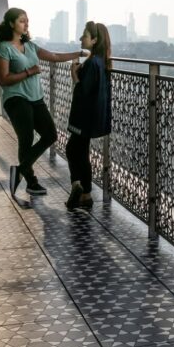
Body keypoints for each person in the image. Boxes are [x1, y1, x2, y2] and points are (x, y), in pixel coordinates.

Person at [0, 8, 85, 196]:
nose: (26, 24)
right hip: (16, 98)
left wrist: (81, 54)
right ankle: (31, 182)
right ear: (11, 24)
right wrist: (29, 72)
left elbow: (55, 57)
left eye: (27, 21)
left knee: (51, 134)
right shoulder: (4, 48)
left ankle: (19, 171)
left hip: (36, 98)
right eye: (21, 21)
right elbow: (3, 80)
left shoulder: (32, 46)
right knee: (26, 139)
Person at [65, 21, 112, 210]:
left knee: (72, 149)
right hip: (93, 116)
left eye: (84, 35)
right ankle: (85, 195)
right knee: (82, 152)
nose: (80, 39)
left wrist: (74, 76)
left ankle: (78, 186)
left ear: (94, 40)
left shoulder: (92, 63)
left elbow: (83, 91)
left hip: (83, 117)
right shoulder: (101, 61)